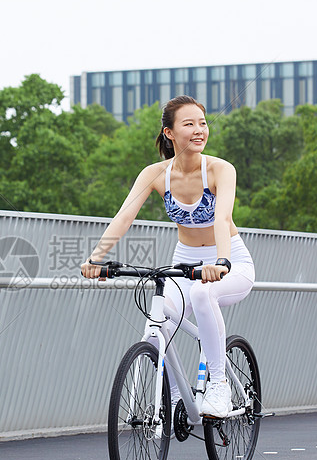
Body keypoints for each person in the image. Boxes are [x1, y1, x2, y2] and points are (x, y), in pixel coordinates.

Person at [80, 95, 255, 418]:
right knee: (159, 318)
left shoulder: (219, 170)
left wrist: (221, 262)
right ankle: (176, 396)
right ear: (170, 133)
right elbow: (124, 216)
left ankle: (219, 386)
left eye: (202, 123)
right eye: (189, 124)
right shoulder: (155, 174)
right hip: (184, 263)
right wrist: (95, 259)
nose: (199, 130)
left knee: (204, 294)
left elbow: (221, 218)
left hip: (230, 263)